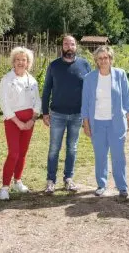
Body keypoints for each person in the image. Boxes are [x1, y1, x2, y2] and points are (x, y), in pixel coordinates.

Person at [81, 46, 129, 199]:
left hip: (116, 122)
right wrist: (86, 123)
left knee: (118, 156)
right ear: (96, 61)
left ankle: (122, 187)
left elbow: (127, 97)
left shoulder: (120, 74)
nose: (103, 60)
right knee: (100, 156)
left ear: (111, 59)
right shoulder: (89, 78)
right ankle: (101, 184)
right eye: (100, 58)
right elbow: (85, 103)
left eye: (106, 57)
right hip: (97, 122)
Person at [41, 35, 92, 194]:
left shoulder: (84, 65)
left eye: (72, 44)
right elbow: (46, 89)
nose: (69, 47)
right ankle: (50, 180)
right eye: (66, 44)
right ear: (62, 46)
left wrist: (87, 115)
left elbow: (89, 91)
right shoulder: (54, 66)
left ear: (76, 46)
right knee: (54, 148)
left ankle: (68, 179)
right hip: (57, 114)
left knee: (72, 148)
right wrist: (44, 112)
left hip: (77, 115)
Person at [0, 47, 41, 200]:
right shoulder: (6, 80)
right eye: (18, 60)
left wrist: (32, 120)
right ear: (13, 62)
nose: (21, 63)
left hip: (29, 122)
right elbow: (4, 104)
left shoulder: (32, 80)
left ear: (28, 63)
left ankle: (18, 181)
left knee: (22, 153)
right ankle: (4, 187)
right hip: (12, 121)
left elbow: (37, 102)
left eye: (24, 60)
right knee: (14, 153)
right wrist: (18, 122)